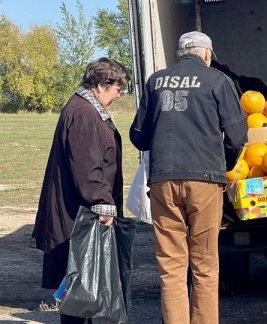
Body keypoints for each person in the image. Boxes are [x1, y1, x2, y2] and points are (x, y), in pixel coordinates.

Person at [129, 31, 247, 324]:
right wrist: (225, 165)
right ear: (207, 54)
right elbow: (237, 135)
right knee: (205, 264)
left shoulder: (155, 81)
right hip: (205, 180)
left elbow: (139, 137)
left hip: (163, 181)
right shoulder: (218, 80)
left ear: (180, 53)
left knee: (170, 265)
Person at [32, 57, 129, 324]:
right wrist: (102, 202)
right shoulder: (84, 113)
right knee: (79, 291)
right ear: (101, 84)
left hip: (78, 213)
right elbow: (87, 165)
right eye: (117, 87)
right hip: (77, 216)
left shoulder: (84, 108)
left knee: (82, 289)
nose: (120, 94)